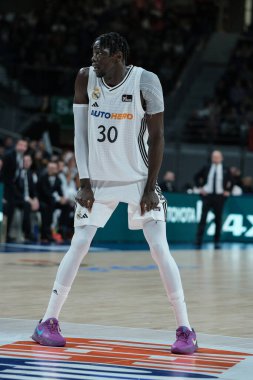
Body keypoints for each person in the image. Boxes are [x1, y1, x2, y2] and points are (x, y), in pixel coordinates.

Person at [32, 32, 197, 355]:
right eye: (93, 52)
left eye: (101, 53)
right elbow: (80, 135)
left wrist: (150, 187)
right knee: (79, 244)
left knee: (159, 249)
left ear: (119, 56)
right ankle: (47, 321)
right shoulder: (85, 79)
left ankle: (185, 329)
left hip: (138, 180)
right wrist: (84, 181)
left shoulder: (146, 82)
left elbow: (158, 137)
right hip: (100, 181)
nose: (94, 59)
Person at [194, 150, 233, 249]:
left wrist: (228, 190)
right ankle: (199, 240)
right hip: (207, 196)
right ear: (211, 158)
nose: (215, 158)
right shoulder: (206, 167)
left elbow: (232, 181)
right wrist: (200, 188)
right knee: (203, 218)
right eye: (214, 157)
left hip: (219, 197)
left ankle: (217, 241)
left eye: (217, 157)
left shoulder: (226, 169)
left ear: (221, 158)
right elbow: (196, 177)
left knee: (218, 220)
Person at [2, 138, 28, 242]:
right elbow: (5, 175)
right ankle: (6, 234)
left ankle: (21, 234)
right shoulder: (9, 156)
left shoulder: (21, 157)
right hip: (5, 186)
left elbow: (17, 175)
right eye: (20, 145)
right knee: (9, 209)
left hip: (13, 187)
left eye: (24, 146)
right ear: (16, 145)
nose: (22, 147)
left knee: (24, 204)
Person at [14, 154, 40, 241]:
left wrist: (35, 199)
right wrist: (28, 199)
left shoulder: (31, 174)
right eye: (24, 160)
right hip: (19, 199)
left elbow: (34, 189)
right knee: (26, 205)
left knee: (41, 206)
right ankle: (27, 233)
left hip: (29, 199)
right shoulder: (18, 172)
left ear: (31, 162)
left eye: (28, 161)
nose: (26, 162)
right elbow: (15, 189)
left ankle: (43, 233)